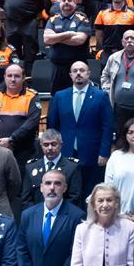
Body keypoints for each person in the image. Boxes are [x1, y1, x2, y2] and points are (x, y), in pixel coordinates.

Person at [48, 61, 115, 193]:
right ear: (70, 75)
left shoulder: (101, 96)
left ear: (88, 74)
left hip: (92, 154)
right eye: (75, 71)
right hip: (65, 152)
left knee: (89, 193)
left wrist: (104, 152)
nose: (78, 73)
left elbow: (107, 127)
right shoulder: (60, 96)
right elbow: (52, 127)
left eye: (82, 70)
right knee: (67, 192)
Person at [19, 129, 83, 210]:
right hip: (36, 216)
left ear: (60, 144)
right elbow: (26, 199)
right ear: (41, 145)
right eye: (46, 145)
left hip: (63, 216)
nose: (49, 148)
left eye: (53, 144)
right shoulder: (31, 167)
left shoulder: (72, 167)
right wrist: (37, 215)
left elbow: (74, 198)